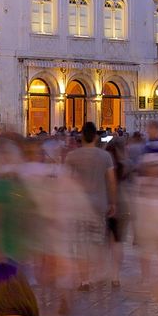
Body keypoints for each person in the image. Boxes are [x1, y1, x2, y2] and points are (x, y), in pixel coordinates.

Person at [63, 122, 116, 290]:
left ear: (81, 136)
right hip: (99, 204)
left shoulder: (72, 156)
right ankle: (95, 274)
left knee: (81, 243)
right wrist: (113, 202)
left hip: (78, 205)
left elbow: (65, 180)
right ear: (95, 136)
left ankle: (84, 279)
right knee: (95, 243)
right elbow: (111, 181)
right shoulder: (105, 156)